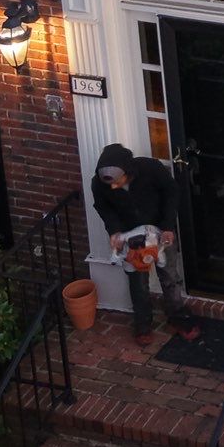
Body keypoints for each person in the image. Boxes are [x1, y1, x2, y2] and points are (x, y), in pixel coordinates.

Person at [90, 143, 198, 341]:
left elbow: (172, 191)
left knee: (170, 276)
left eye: (118, 181)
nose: (113, 187)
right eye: (109, 184)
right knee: (138, 281)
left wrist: (167, 225)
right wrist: (114, 232)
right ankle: (143, 325)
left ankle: (178, 318)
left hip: (160, 229)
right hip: (131, 236)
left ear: (128, 172)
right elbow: (104, 208)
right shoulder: (98, 184)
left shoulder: (151, 168)